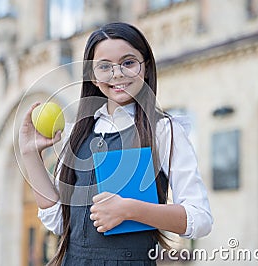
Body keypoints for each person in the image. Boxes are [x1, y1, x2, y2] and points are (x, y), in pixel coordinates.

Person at [19, 22, 213, 265]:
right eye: (104, 66)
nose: (117, 73)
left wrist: (129, 209)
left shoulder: (163, 131)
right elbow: (58, 220)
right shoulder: (78, 134)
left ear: (146, 67)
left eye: (128, 62)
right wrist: (29, 153)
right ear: (92, 75)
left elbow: (200, 219)